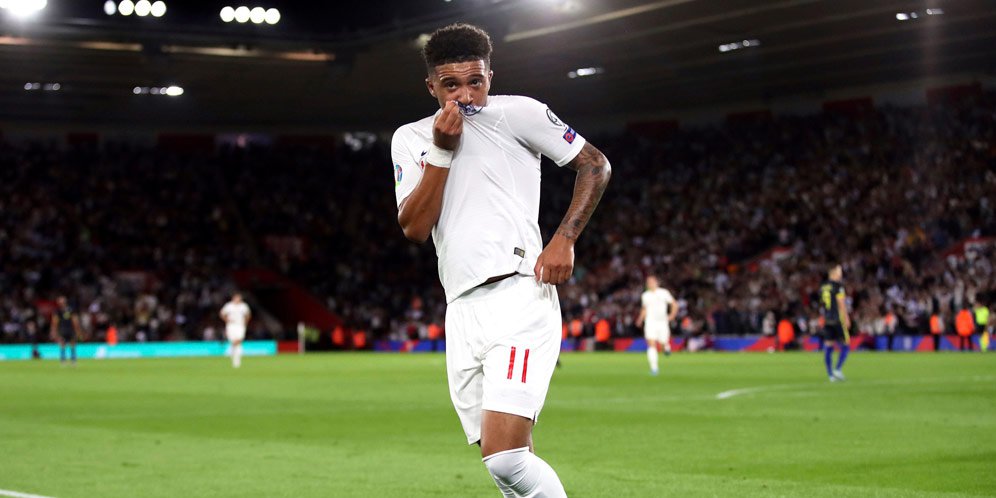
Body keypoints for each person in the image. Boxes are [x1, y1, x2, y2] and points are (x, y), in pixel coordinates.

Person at [392, 23, 611, 497]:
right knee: (505, 467)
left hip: (518, 295)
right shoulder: (410, 138)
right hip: (461, 307)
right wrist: (441, 152)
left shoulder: (520, 113)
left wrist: (565, 238)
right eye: (451, 85)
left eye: (476, 81)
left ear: (491, 76)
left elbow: (595, 164)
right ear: (431, 87)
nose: (466, 95)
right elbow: (414, 228)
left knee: (507, 458)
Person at [636, 276, 677, 375]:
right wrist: (640, 319)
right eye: (648, 282)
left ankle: (666, 347)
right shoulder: (645, 295)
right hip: (650, 322)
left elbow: (674, 304)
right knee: (651, 344)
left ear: (657, 283)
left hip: (662, 322)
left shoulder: (664, 293)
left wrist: (672, 315)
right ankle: (654, 368)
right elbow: (644, 309)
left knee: (663, 343)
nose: (650, 284)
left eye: (652, 282)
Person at [819, 265, 851, 382]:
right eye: (839, 271)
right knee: (846, 345)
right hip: (838, 319)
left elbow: (822, 303)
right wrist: (846, 317)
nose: (841, 274)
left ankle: (830, 375)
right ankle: (837, 369)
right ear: (833, 273)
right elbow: (841, 303)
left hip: (827, 319)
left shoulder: (823, 286)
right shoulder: (838, 286)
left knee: (828, 345)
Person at [219, 293, 251, 368]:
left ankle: (231, 351)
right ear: (233, 298)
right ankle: (236, 359)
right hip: (231, 325)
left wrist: (245, 322)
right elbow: (222, 314)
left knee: (239, 339)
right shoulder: (228, 305)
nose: (237, 299)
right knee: (233, 340)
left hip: (240, 325)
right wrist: (227, 320)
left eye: (239, 298)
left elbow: (248, 314)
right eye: (236, 298)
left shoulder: (244, 306)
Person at [50, 296, 82, 366]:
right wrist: (54, 331)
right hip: (62, 330)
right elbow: (55, 322)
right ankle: (63, 360)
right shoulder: (57, 311)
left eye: (62, 301)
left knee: (72, 344)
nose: (61, 303)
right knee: (62, 345)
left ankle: (73, 360)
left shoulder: (71, 310)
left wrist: (77, 330)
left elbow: (75, 321)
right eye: (60, 302)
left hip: (71, 330)